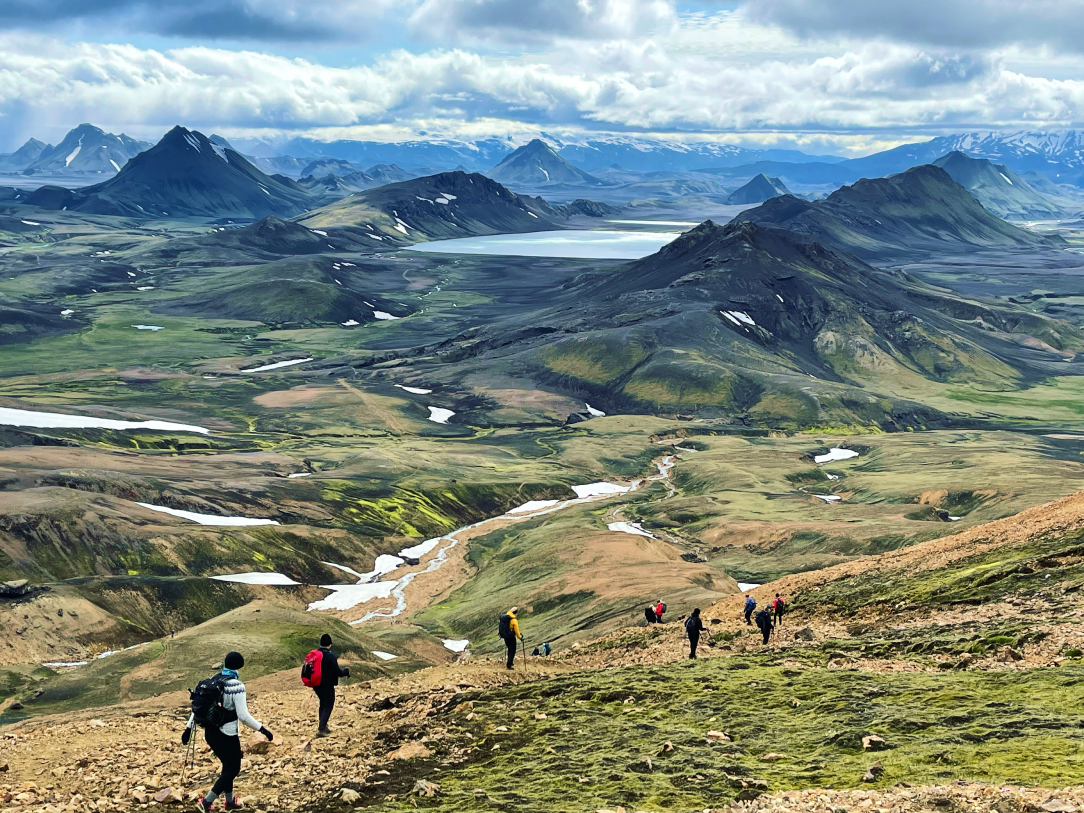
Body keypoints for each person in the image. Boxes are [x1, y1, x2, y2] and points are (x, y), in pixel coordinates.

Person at [183, 651, 273, 812]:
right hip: (227, 734)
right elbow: (243, 716)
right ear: (239, 666)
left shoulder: (213, 681)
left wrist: (188, 729)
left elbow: (198, 707)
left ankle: (230, 801)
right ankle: (206, 802)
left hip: (210, 732)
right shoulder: (237, 686)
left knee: (227, 766)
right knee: (233, 769)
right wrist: (263, 729)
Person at [312, 634, 350, 738]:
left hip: (316, 684)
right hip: (327, 684)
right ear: (330, 644)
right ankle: (321, 729)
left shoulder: (315, 654)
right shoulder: (330, 655)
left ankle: (324, 726)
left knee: (323, 704)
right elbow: (337, 672)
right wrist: (345, 672)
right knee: (328, 704)